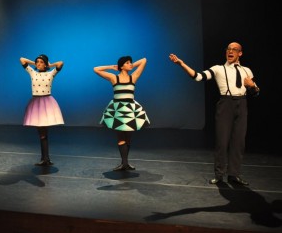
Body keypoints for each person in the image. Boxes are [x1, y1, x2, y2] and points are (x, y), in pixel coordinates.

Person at [169, 41, 259, 185]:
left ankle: (234, 174)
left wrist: (252, 86)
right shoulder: (218, 69)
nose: (230, 51)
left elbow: (255, 92)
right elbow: (198, 77)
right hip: (226, 104)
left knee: (239, 142)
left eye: (234, 49)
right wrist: (181, 64)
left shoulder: (247, 70)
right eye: (228, 49)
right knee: (222, 142)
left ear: (240, 53)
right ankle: (219, 174)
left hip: (242, 104)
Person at [94, 56, 149, 171]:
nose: (131, 64)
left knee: (128, 137)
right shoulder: (114, 78)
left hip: (130, 109)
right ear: (122, 66)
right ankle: (124, 163)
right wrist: (112, 67)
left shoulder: (133, 77)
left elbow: (144, 60)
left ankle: (125, 163)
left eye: (131, 63)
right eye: (128, 63)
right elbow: (96, 69)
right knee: (121, 136)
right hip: (118, 109)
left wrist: (130, 66)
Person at [20, 55, 64, 166]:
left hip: (46, 103)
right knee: (41, 132)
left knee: (43, 132)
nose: (38, 64)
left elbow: (60, 63)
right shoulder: (32, 72)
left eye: (40, 62)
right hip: (36, 103)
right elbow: (22, 59)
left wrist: (50, 64)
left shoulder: (51, 73)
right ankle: (45, 158)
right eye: (37, 62)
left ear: (45, 64)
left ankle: (45, 158)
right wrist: (34, 63)